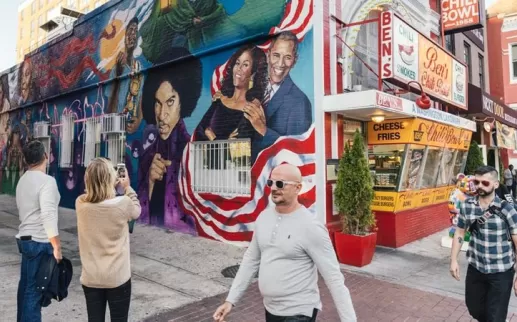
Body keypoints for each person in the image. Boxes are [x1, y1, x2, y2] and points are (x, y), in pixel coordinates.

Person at [213, 164, 357, 322]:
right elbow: (250, 261)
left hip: (299, 312)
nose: (274, 188)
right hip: (271, 309)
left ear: (297, 188)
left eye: (280, 184)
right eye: (271, 183)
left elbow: (334, 278)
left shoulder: (311, 226)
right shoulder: (263, 218)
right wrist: (230, 300)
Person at [76, 157, 141, 322]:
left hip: (91, 277)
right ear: (110, 179)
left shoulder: (80, 204)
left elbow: (92, 197)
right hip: (117, 277)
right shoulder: (123, 203)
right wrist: (127, 187)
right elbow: (136, 211)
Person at [449, 165, 517, 321]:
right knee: (474, 308)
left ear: (495, 184)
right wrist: (453, 260)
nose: (479, 186)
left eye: (485, 183)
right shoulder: (467, 206)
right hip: (476, 268)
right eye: (476, 182)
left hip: (501, 271)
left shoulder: (508, 210)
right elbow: (460, 232)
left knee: (495, 316)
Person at [243, 31, 312, 162]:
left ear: (294, 61)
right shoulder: (254, 88)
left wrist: (263, 130)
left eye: (287, 57)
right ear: (268, 56)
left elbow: (297, 152)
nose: (280, 63)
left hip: (271, 177)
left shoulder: (300, 102)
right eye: (276, 55)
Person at [15, 140, 62, 322]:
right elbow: (48, 216)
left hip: (26, 241)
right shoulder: (47, 182)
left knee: (26, 288)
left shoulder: (23, 180)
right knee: (35, 293)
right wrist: (56, 246)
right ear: (44, 157)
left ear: (27, 160)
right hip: (40, 242)